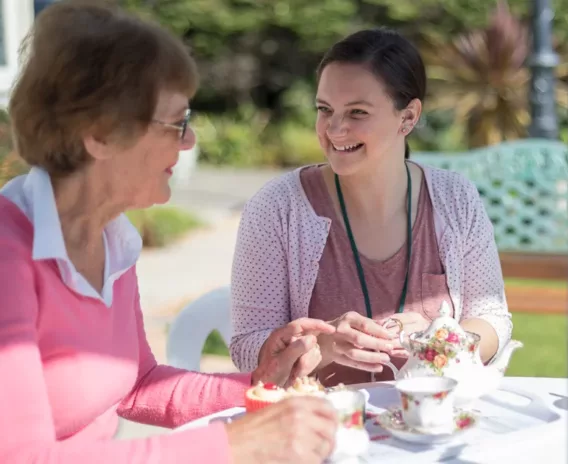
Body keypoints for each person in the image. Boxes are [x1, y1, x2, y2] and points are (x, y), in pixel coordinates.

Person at [0, 2, 337, 463]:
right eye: (178, 123)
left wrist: (263, 385)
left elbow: (137, 384)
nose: (190, 140)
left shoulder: (111, 239)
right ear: (100, 133)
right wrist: (236, 446)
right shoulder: (8, 255)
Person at [229, 28, 513, 387]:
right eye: (325, 109)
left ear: (408, 117)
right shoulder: (276, 207)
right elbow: (245, 348)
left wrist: (441, 339)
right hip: (319, 417)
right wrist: (322, 344)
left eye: (357, 112)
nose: (334, 129)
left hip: (435, 415)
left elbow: (493, 318)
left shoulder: (456, 199)